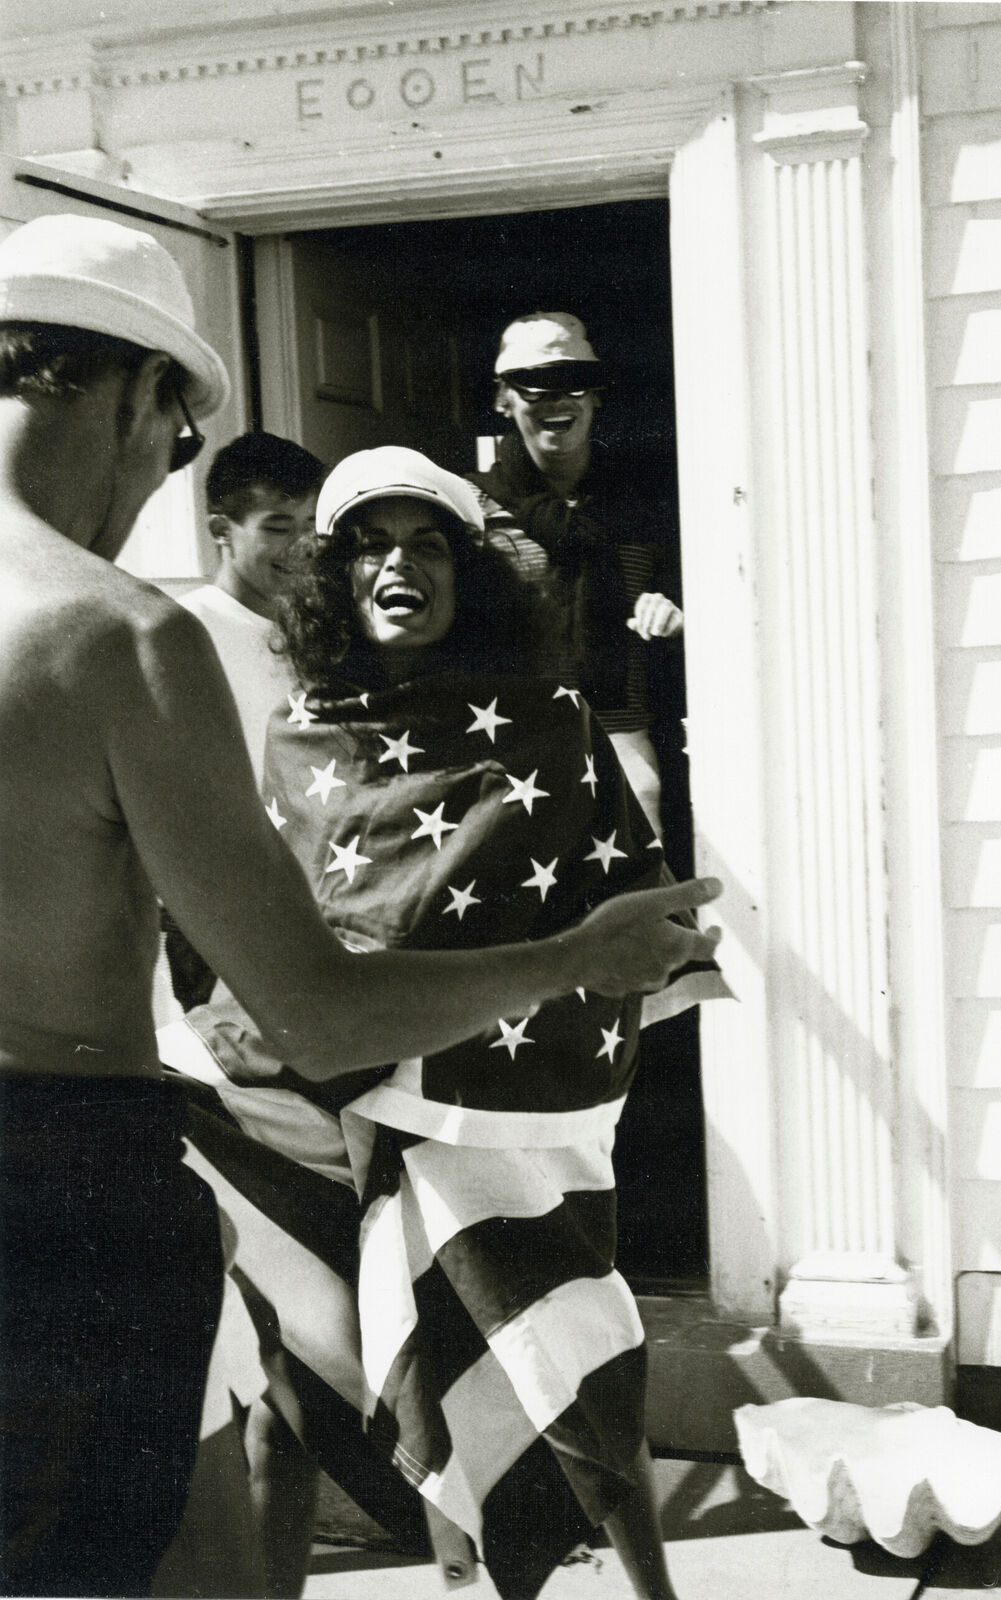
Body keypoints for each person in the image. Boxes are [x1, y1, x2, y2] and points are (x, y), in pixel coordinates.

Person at [0, 213, 719, 1599]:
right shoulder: (114, 634)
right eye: (177, 447)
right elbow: (319, 1014)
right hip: (63, 1189)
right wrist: (584, 951)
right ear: (141, 390)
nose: (163, 482)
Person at [161, 445, 720, 1599]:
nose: (395, 565)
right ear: (331, 576)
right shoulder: (302, 736)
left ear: (473, 571)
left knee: (570, 1367)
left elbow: (622, 921)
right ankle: (461, 1583)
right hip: (324, 1111)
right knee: (317, 1391)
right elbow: (276, 933)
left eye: (426, 543)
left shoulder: (551, 727)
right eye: (367, 544)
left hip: (502, 1117)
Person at [468, 312, 685, 845]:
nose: (557, 403)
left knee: (644, 900)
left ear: (596, 397)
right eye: (535, 388)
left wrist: (679, 614)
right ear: (503, 399)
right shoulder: (470, 508)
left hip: (626, 739)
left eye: (574, 385)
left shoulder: (648, 508)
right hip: (508, 748)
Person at [180, 430, 325, 782]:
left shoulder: (326, 621)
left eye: (313, 525)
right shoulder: (188, 634)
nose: (304, 545)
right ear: (221, 530)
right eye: (278, 528)